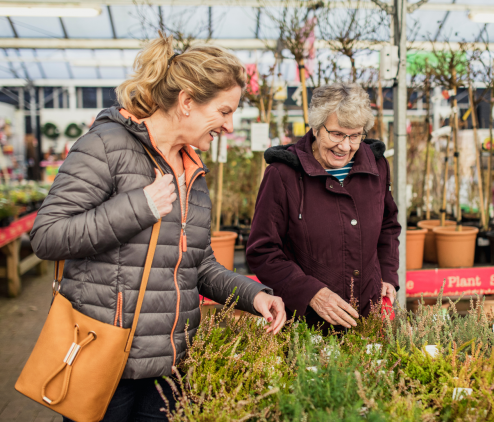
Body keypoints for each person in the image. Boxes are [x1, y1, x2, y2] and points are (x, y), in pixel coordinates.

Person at [30, 34, 286, 421]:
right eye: (224, 111)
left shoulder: (193, 169)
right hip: (104, 356)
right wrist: (139, 206)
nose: (230, 126)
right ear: (187, 102)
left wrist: (254, 296)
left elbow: (196, 264)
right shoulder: (105, 146)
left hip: (170, 365)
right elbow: (47, 236)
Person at [246, 83, 401, 332]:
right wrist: (311, 293)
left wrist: (387, 276)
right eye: (337, 134)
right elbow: (263, 251)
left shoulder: (376, 167)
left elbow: (388, 225)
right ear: (316, 127)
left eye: (354, 136)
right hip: (308, 325)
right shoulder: (283, 174)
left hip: (368, 319)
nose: (345, 146)